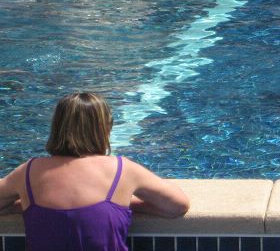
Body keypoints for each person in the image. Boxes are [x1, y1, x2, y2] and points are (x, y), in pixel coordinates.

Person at [0, 92, 190, 250]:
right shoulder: (122, 170)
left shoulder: (29, 171)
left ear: (57, 127)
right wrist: (126, 204)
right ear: (105, 128)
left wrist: (23, 205)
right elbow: (176, 206)